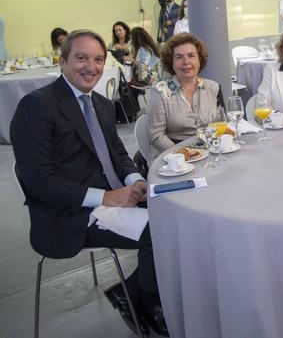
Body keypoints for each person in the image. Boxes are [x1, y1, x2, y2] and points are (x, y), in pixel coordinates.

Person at [10, 30, 168, 336]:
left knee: (175, 210)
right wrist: (107, 197)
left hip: (110, 198)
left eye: (98, 59)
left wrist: (135, 181)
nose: (91, 67)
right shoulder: (36, 106)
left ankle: (132, 288)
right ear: (62, 62)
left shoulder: (101, 103)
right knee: (160, 228)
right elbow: (39, 182)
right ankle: (144, 300)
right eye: (81, 58)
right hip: (70, 213)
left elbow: (119, 155)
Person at [148, 32, 224, 153]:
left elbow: (222, 123)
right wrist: (184, 152)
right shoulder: (160, 92)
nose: (186, 61)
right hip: (174, 156)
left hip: (210, 151)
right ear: (171, 62)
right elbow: (156, 136)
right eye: (179, 57)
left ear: (199, 59)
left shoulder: (214, 87)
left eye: (191, 55)